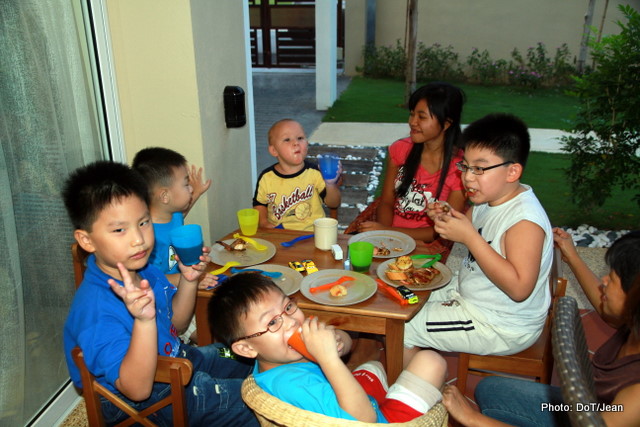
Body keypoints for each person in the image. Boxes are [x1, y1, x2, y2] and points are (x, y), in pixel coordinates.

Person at [62, 161, 258, 426]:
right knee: (258, 399)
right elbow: (137, 390)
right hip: (147, 400)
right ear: (87, 240)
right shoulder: (96, 313)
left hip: (177, 359)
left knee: (241, 352)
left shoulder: (143, 270)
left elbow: (177, 324)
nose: (138, 239)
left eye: (143, 222)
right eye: (119, 230)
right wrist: (144, 321)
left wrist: (188, 280)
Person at [442, 230, 640, 427]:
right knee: (490, 390)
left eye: (614, 279)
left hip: (595, 419)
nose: (604, 281)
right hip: (586, 408)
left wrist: (472, 419)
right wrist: (572, 256)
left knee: (483, 415)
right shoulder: (633, 321)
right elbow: (607, 311)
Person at [404, 113, 554, 359]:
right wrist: (445, 215)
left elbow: (519, 289)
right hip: (472, 294)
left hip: (499, 324)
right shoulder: (489, 199)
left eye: (479, 169)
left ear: (512, 172)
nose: (467, 177)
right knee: (405, 296)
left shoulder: (524, 222)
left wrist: (471, 238)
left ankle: (417, 384)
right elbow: (466, 226)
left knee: (403, 325)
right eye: (465, 166)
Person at [208, 273, 447, 423]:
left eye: (288, 307)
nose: (291, 322)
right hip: (371, 419)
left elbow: (345, 342)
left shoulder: (278, 356)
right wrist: (329, 360)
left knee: (373, 366)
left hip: (350, 401)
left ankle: (387, 396)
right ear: (246, 348)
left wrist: (338, 342)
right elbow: (365, 420)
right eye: (272, 323)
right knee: (431, 361)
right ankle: (399, 406)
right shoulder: (296, 386)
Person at [357, 82, 466, 242]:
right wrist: (385, 238)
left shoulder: (460, 169)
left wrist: (388, 232)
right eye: (412, 114)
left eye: (422, 117)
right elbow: (386, 202)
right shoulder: (400, 149)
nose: (412, 122)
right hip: (390, 238)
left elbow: (442, 230)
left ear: (446, 124)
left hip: (427, 246)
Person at [133, 147, 214, 343]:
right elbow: (149, 279)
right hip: (166, 304)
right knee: (210, 336)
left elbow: (179, 216)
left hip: (186, 289)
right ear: (165, 196)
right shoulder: (148, 237)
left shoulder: (172, 214)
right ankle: (219, 355)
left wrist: (196, 193)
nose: (190, 189)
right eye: (186, 184)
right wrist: (190, 278)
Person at [253, 118, 341, 231]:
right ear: (274, 150)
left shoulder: (315, 172)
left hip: (312, 233)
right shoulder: (267, 177)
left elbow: (334, 204)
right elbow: (260, 204)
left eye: (300, 138)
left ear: (307, 143)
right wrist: (264, 222)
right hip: (279, 233)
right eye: (287, 139)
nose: (296, 143)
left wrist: (330, 184)